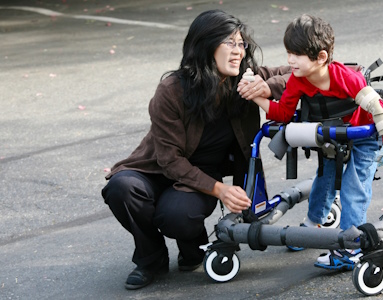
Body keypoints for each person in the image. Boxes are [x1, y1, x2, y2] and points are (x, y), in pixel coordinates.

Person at [101, 9, 291, 290]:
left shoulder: (245, 80)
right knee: (121, 188)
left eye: (241, 44)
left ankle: (193, 250)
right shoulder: (171, 90)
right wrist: (221, 190)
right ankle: (150, 259)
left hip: (201, 175)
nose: (238, 51)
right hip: (157, 169)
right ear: (205, 46)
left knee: (176, 216)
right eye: (230, 43)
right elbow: (169, 160)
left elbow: (301, 72)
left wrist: (267, 86)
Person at [245, 14, 383, 271]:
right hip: (333, 134)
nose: (289, 60)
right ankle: (313, 225)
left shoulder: (345, 77)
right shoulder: (298, 80)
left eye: (296, 54)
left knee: (354, 184)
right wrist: (257, 98)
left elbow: (376, 105)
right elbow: (283, 113)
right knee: (324, 176)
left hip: (364, 135)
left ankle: (351, 246)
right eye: (288, 53)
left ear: (321, 57)